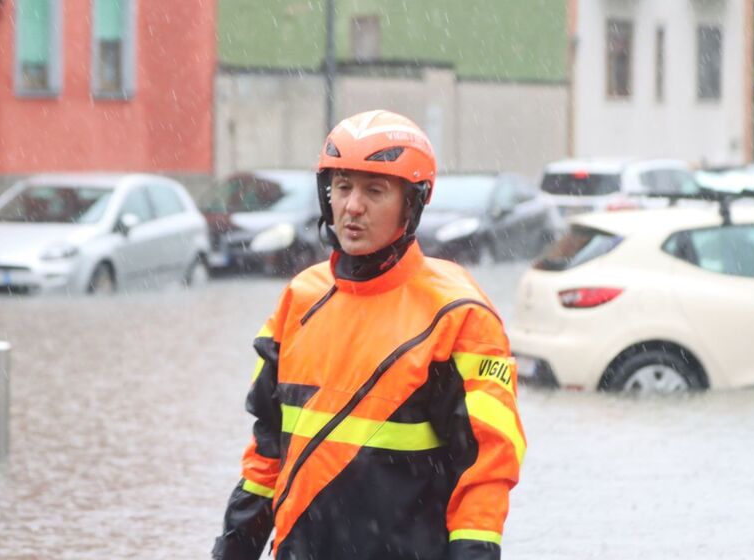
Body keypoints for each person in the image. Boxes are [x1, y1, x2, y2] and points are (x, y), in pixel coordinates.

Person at [212, 109, 526, 560]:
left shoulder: (458, 315)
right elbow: (267, 450)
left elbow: (485, 469)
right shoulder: (301, 299)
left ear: (412, 203)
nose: (352, 206)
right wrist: (234, 548)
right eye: (342, 187)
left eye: (374, 190)